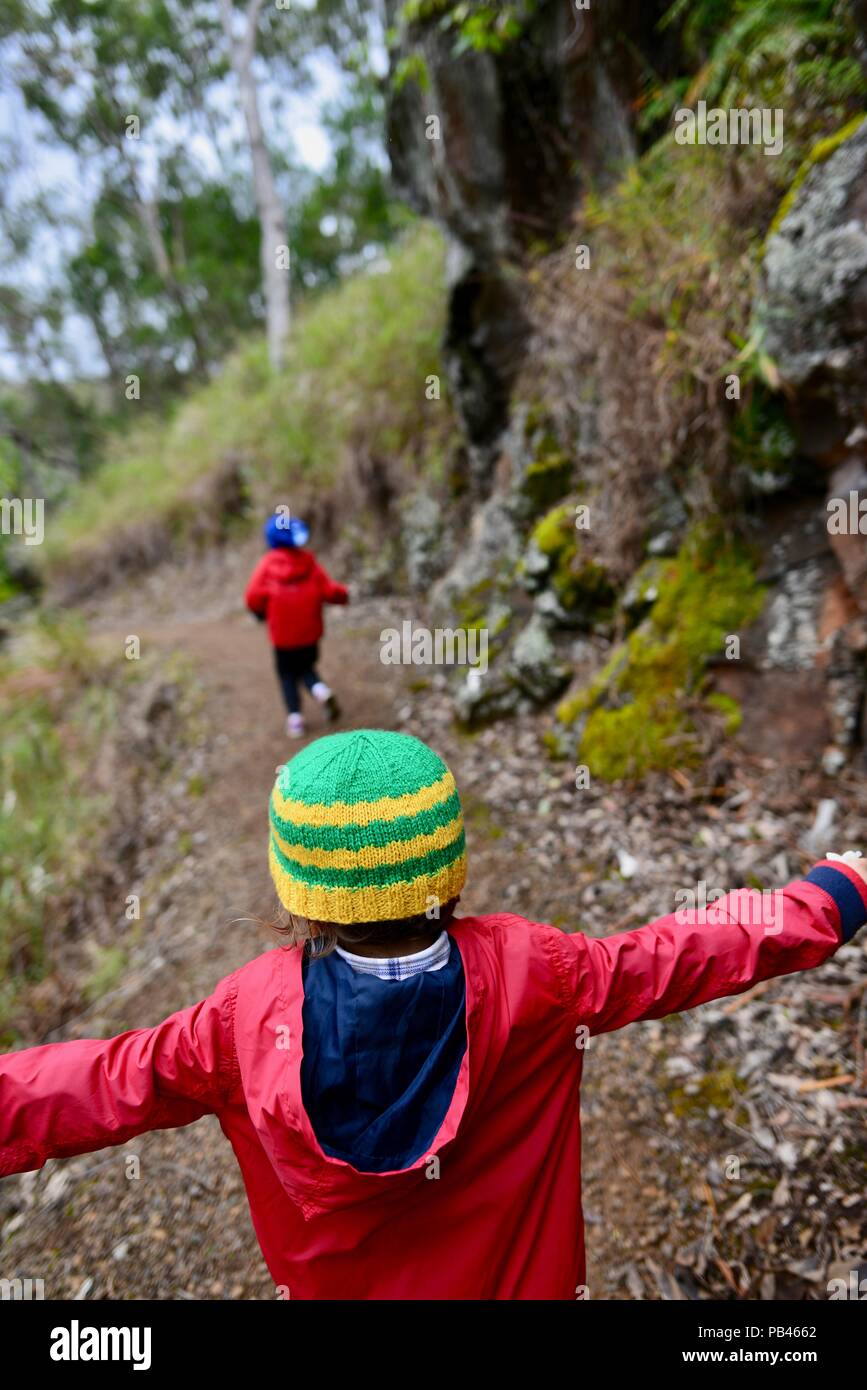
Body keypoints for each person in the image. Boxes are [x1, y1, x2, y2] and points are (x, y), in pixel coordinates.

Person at [1, 727, 866, 1301]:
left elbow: (105, 1081)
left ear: (302, 891)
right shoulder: (537, 972)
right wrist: (829, 895)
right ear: (446, 868)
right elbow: (679, 952)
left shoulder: (240, 1019)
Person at [245, 513, 348, 737]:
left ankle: (295, 720)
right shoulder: (308, 562)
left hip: (282, 638)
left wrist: (261, 610)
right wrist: (344, 595)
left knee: (287, 674)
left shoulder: (267, 564)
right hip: (310, 634)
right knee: (306, 668)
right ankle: (321, 691)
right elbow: (330, 590)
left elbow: (252, 597)